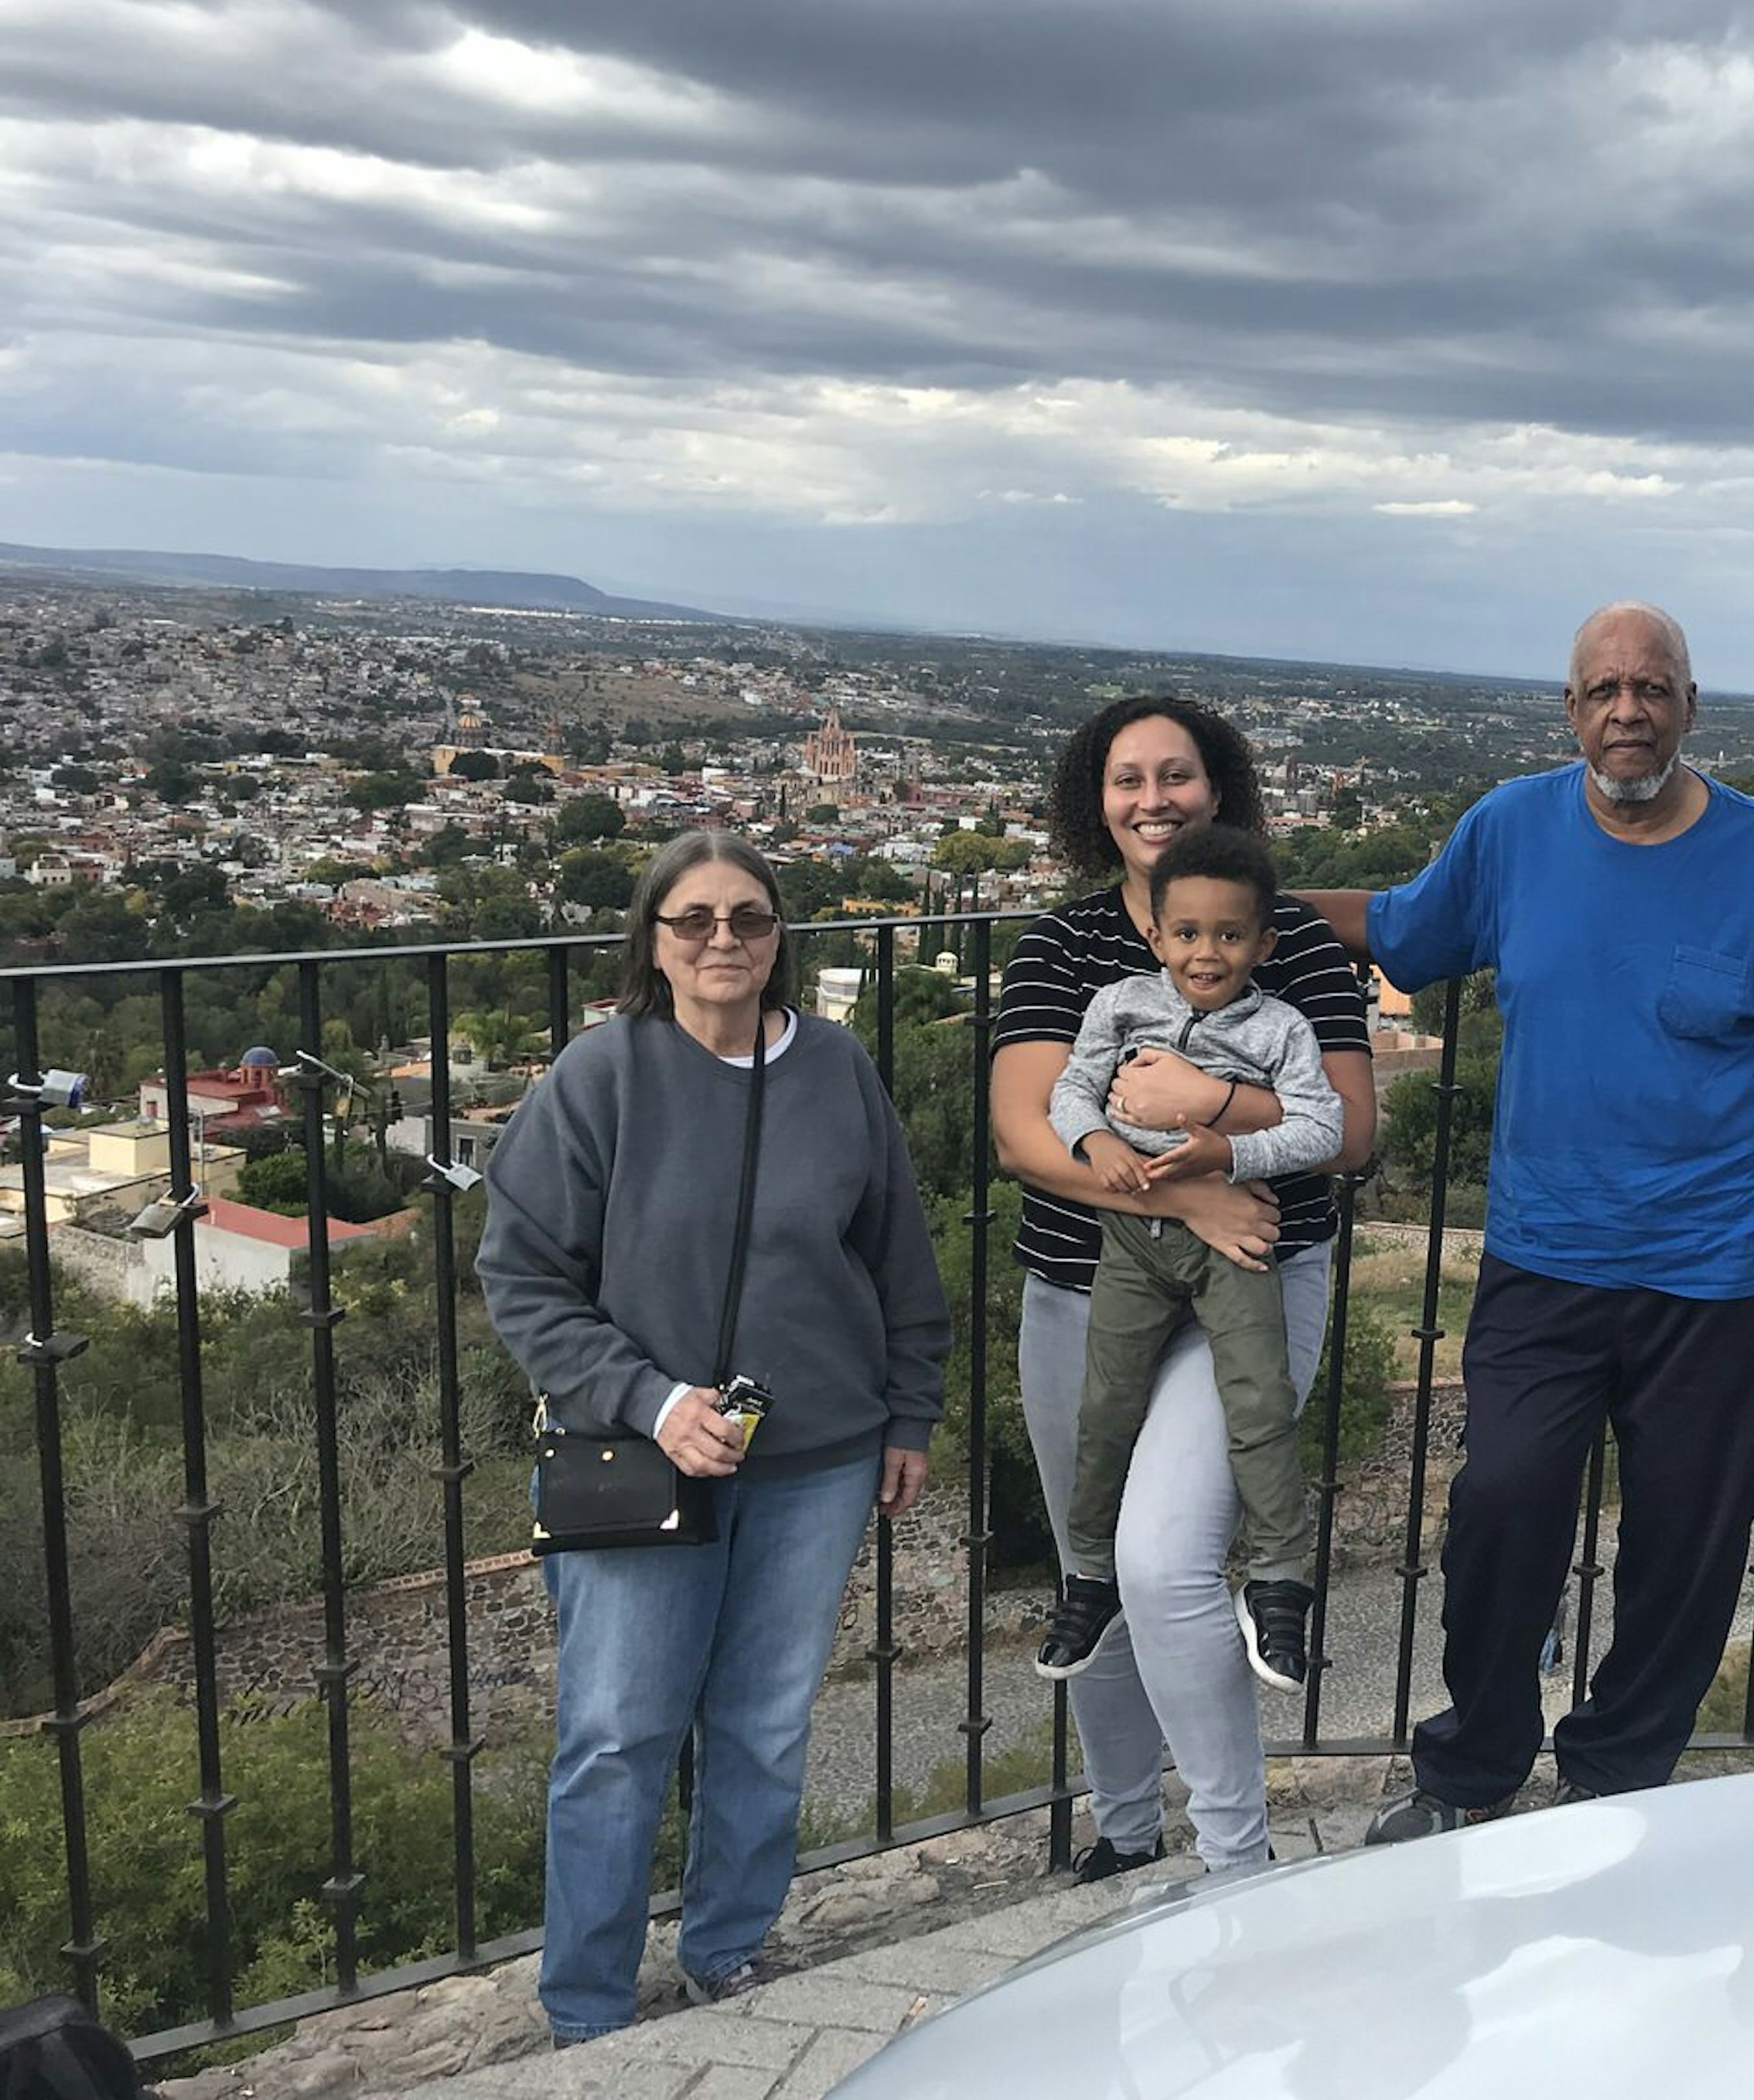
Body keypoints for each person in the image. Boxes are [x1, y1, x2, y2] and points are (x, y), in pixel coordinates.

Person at [1306, 599, 1754, 1842]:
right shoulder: (1511, 829)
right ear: (1570, 712)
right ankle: (1474, 1768)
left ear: (1688, 708)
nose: (1630, 710)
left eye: (1653, 689)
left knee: (1691, 1538)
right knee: (1502, 1504)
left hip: (1720, 1271)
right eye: (1605, 690)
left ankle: (1615, 1777)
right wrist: (1215, 899)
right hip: (1547, 1258)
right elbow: (1401, 928)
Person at [477, 829, 949, 2047]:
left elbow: (898, 1255)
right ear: (653, 941)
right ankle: (587, 2004)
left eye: (748, 918)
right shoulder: (600, 1076)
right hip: (639, 1458)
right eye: (693, 921)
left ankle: (727, 1949)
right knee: (618, 1733)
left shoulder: (838, 1069)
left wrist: (910, 1411)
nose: (723, 940)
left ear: (781, 936)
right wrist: (649, 1399)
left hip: (822, 1454)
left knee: (768, 1716)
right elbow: (522, 1275)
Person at [990, 698, 1376, 1879]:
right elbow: (1022, 1133)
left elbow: (1350, 1130)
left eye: (1176, 776)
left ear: (1220, 790)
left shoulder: (1291, 939)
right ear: (1092, 803)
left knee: (1160, 1558)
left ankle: (1232, 1861)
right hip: (1082, 1285)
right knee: (1091, 1559)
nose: (1152, 799)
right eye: (1126, 780)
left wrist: (1206, 1111)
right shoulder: (1064, 950)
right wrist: (1180, 1195)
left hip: (1254, 1279)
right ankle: (1119, 1826)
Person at [1039, 823, 1346, 1694]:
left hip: (1240, 1233)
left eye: (1229, 934)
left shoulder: (1282, 1028)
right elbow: (1070, 1088)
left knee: (1259, 1403)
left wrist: (1228, 1155)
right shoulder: (1119, 1005)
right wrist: (1093, 1139)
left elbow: (1323, 1129)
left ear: (1264, 942)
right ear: (1155, 935)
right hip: (1135, 1235)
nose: (1206, 953)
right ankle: (1091, 1575)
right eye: (1187, 934)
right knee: (1104, 1409)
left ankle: (1281, 1579)